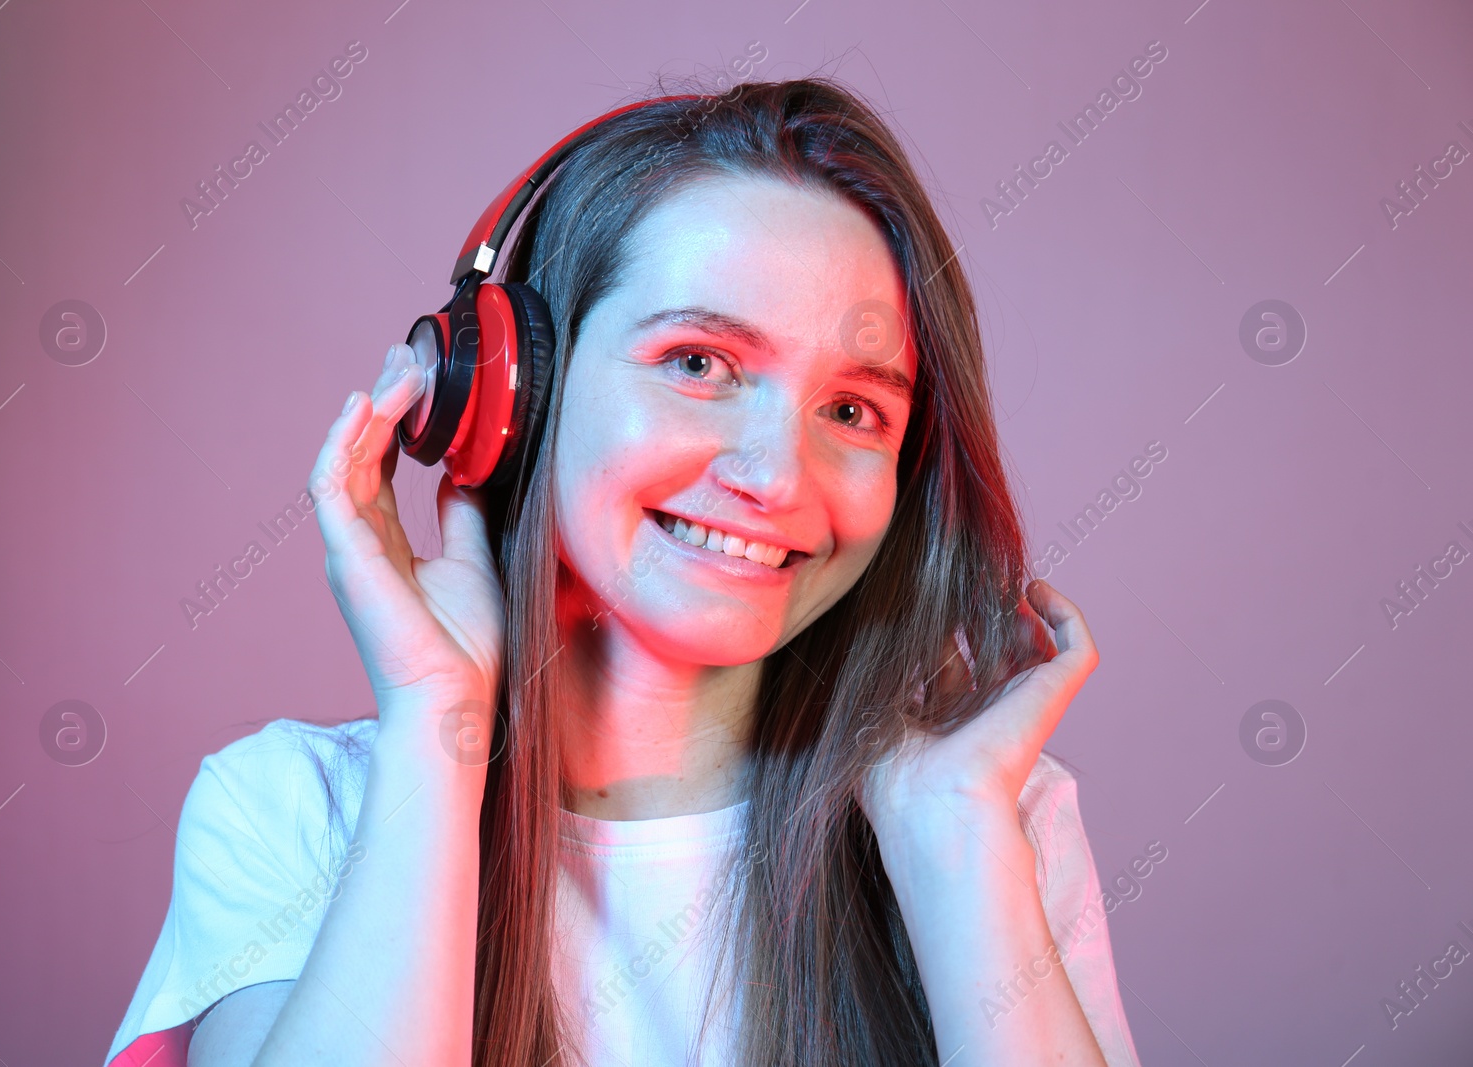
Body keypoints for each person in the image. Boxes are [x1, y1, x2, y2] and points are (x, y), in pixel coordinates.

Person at [104, 76, 1143, 1067]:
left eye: (851, 410)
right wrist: (436, 724)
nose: (775, 474)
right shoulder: (294, 809)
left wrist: (953, 830)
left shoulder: (991, 814)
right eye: (699, 363)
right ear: (509, 396)